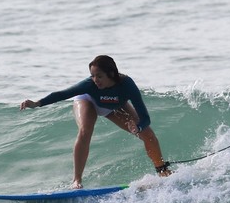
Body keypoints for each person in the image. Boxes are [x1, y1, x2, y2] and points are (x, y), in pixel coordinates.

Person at [20, 55, 171, 189]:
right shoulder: (89, 85)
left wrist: (137, 127)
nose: (95, 80)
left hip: (114, 106)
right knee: (85, 130)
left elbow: (145, 118)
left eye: (99, 76)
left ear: (111, 73)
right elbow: (63, 94)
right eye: (92, 76)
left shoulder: (126, 84)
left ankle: (162, 171)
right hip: (88, 101)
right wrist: (37, 103)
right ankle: (76, 181)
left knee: (148, 134)